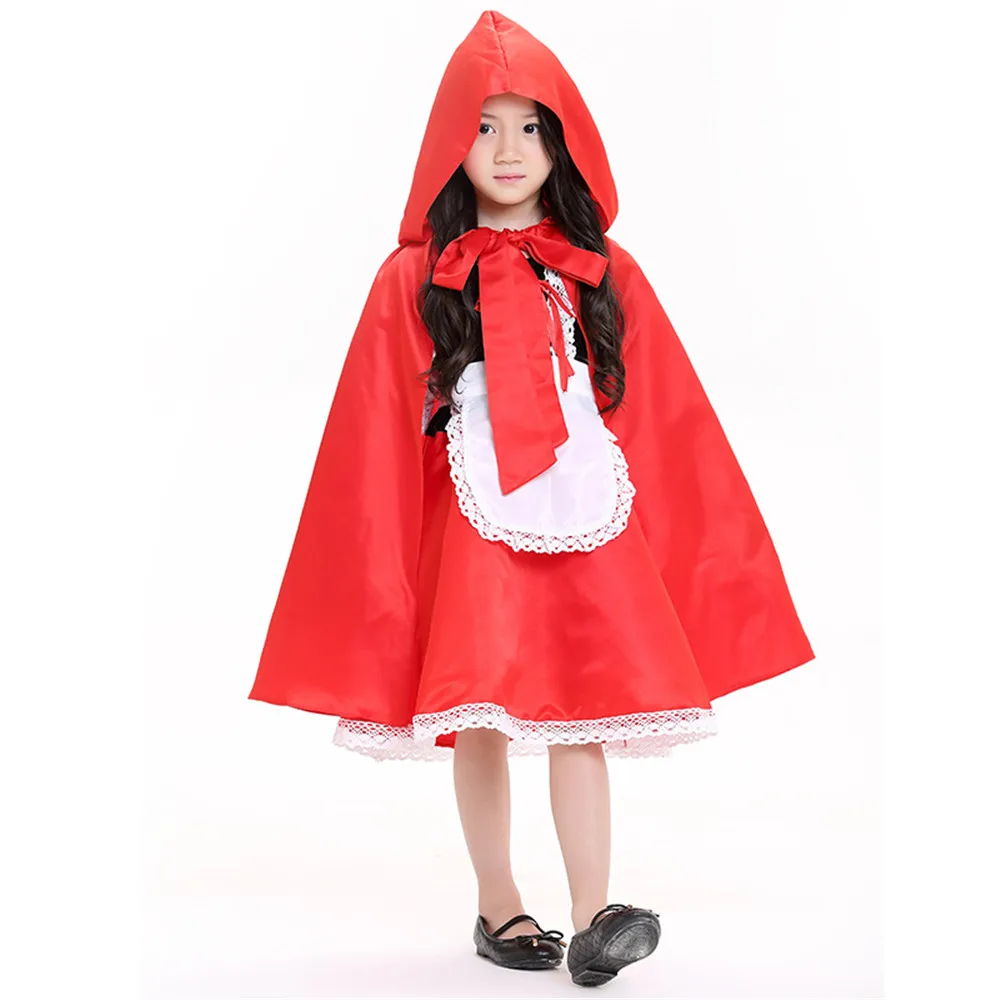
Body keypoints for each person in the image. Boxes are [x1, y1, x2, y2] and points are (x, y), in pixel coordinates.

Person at [247, 9, 815, 988]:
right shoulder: (413, 278)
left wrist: (687, 547)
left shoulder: (601, 271)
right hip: (473, 530)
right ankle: (498, 902)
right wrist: (387, 565)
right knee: (481, 710)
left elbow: (665, 415)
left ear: (564, 141)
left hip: (587, 521)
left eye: (530, 127)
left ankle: (595, 916)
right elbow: (375, 424)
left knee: (583, 709)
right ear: (449, 141)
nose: (508, 150)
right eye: (484, 126)